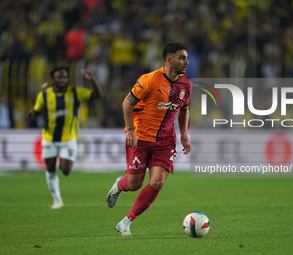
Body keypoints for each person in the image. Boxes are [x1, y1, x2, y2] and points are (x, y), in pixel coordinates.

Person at [106, 42, 192, 236]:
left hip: (165, 141)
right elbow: (127, 103)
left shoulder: (186, 84)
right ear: (169, 60)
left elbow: (184, 109)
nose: (187, 62)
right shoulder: (149, 80)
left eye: (186, 57)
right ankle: (121, 184)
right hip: (141, 138)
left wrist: (184, 134)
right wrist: (130, 130)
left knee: (158, 182)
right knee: (134, 184)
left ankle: (126, 222)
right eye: (182, 58)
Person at [27, 66, 102, 209]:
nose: (62, 80)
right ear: (53, 79)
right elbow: (35, 112)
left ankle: (60, 166)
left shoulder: (75, 92)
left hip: (69, 138)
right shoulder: (44, 95)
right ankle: (57, 199)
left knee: (65, 171)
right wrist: (31, 114)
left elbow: (97, 96)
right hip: (49, 137)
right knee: (50, 168)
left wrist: (93, 80)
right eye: (59, 77)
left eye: (65, 77)